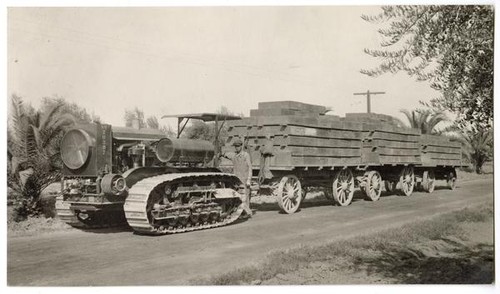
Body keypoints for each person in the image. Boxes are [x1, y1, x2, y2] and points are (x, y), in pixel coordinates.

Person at [221, 137, 253, 217]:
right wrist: (221, 153)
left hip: (244, 179)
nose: (236, 147)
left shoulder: (246, 155)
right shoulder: (234, 156)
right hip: (237, 179)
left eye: (238, 146)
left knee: (245, 196)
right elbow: (227, 155)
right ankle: (242, 212)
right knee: (239, 196)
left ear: (241, 146)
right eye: (235, 146)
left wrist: (249, 179)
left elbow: (250, 167)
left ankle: (247, 213)